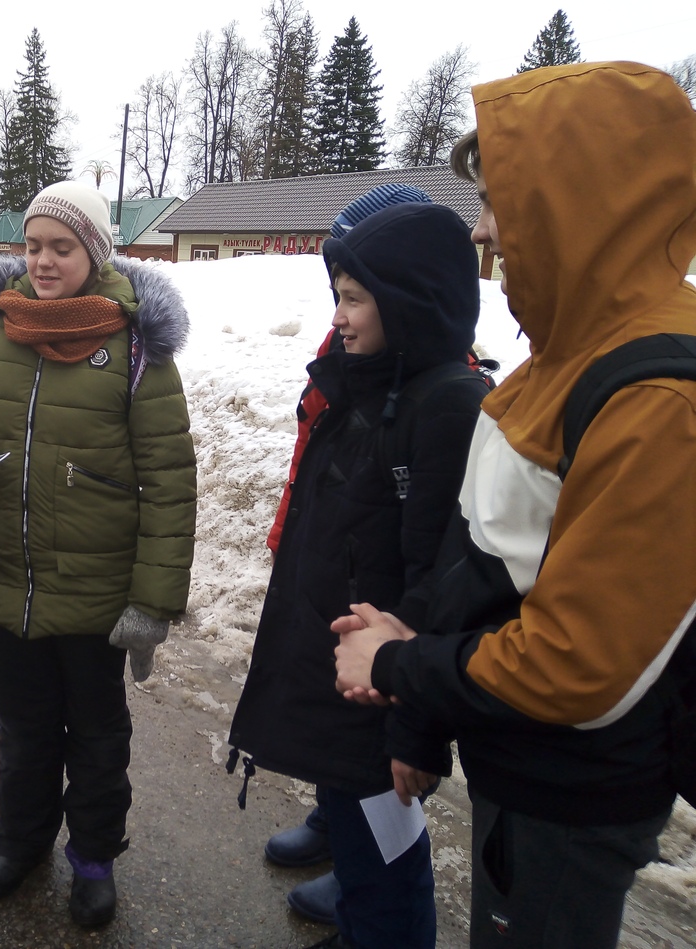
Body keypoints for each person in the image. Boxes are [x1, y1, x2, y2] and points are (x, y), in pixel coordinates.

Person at [333, 61, 696, 949]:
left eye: (498, 201)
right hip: (518, 756)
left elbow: (578, 663)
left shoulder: (658, 396)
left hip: (571, 789)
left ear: (579, 202)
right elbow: (485, 557)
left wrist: (400, 663)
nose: (483, 228)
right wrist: (419, 688)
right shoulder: (566, 354)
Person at [0, 180, 197, 928]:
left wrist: (153, 602)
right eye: (33, 245)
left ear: (94, 253)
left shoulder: (134, 348)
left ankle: (94, 857)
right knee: (24, 727)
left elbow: (170, 481)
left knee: (98, 738)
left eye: (61, 248)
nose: (42, 261)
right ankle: (22, 837)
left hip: (97, 591)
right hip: (9, 580)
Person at [228, 201, 490, 949]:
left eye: (352, 299)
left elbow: (440, 586)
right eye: (336, 296)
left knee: (386, 854)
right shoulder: (371, 385)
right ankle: (360, 928)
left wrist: (413, 726)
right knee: (354, 829)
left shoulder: (444, 407)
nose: (337, 317)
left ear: (406, 302)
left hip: (385, 694)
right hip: (346, 678)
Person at [261, 184, 437, 930]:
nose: (338, 305)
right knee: (328, 730)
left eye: (353, 288)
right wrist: (289, 541)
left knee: (364, 763)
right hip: (325, 560)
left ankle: (365, 879)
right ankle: (335, 826)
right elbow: (315, 456)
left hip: (378, 612)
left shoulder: (424, 379)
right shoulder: (345, 350)